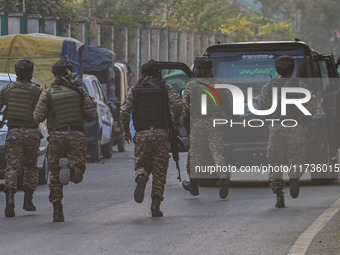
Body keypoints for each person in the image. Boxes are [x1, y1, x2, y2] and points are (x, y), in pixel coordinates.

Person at [33, 59, 98, 222]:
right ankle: (70, 167)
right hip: (76, 135)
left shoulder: (48, 93)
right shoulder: (80, 91)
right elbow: (92, 116)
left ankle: (57, 210)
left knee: (54, 174)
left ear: (54, 74)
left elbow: (37, 117)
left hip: (56, 136)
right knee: (77, 174)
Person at [120, 60, 182, 217]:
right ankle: (155, 205)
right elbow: (178, 105)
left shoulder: (135, 90)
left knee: (142, 163)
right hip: (161, 133)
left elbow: (124, 111)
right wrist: (176, 123)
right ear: (158, 74)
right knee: (160, 170)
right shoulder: (165, 88)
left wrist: (126, 131)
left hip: (142, 134)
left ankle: (141, 176)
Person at [257, 55, 311, 208]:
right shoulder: (301, 86)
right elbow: (310, 108)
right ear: (292, 69)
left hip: (276, 128)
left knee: (275, 162)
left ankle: (279, 195)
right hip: (296, 127)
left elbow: (261, 108)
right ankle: (294, 177)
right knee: (297, 157)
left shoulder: (269, 86)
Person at [181, 58, 231, 199]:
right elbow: (226, 104)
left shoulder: (192, 85)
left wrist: (182, 121)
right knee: (217, 151)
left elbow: (186, 107)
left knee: (195, 154)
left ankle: (194, 185)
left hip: (199, 123)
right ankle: (222, 175)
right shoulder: (218, 84)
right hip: (216, 122)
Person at [0, 60, 42, 217]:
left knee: (12, 167)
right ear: (31, 73)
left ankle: (10, 198)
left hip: (13, 132)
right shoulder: (37, 91)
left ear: (16, 73)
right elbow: (44, 112)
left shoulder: (6, 90)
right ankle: (28, 200)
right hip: (31, 133)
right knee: (31, 166)